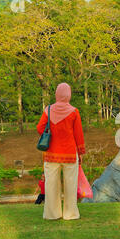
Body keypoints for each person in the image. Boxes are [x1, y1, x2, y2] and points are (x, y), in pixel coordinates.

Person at [36, 83, 85, 220]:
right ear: (68, 95)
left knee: (51, 185)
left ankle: (52, 214)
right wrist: (80, 153)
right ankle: (70, 214)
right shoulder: (74, 112)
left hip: (51, 153)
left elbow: (40, 128)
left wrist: (51, 134)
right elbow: (78, 135)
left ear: (57, 94)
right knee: (70, 185)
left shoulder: (48, 110)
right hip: (70, 153)